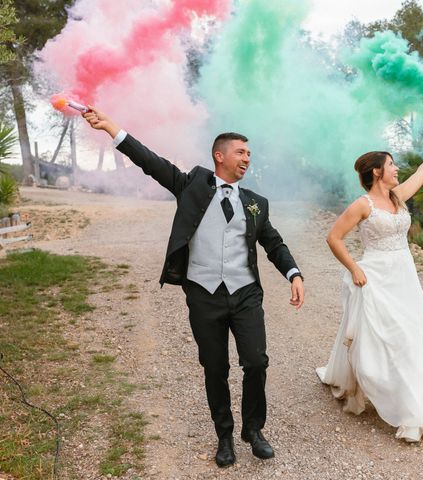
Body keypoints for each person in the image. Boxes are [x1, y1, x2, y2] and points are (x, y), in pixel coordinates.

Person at [83, 107, 305, 467]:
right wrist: (110, 126)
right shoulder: (191, 185)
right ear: (220, 156)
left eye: (249, 154)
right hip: (204, 293)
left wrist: (293, 273)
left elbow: (273, 243)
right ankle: (225, 436)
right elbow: (148, 161)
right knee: (214, 367)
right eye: (241, 152)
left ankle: (254, 429)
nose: (247, 158)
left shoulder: (255, 204)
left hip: (246, 292)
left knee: (256, 361)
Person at [316, 142, 423, 442]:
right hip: (375, 276)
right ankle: (389, 394)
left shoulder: (397, 197)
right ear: (377, 172)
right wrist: (354, 268)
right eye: (392, 165)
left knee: (419, 338)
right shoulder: (364, 205)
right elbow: (334, 237)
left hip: (404, 277)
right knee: (385, 339)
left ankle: (412, 401)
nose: (397, 168)